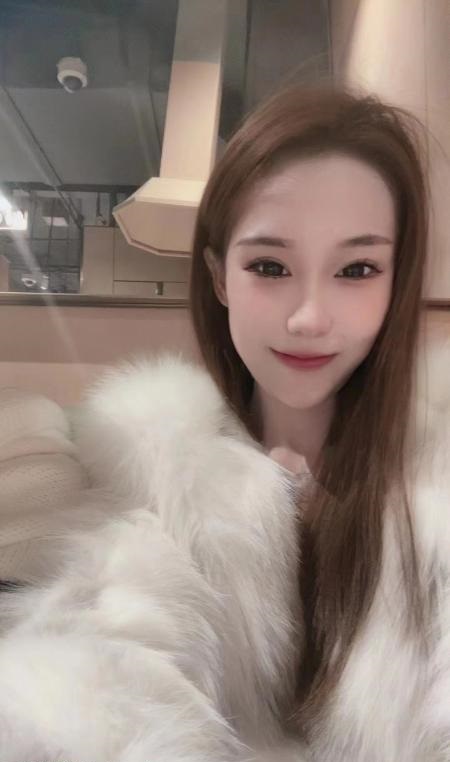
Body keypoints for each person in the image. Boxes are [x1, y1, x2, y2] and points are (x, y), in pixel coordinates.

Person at [0, 82, 449, 762]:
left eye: (357, 269)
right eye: (270, 266)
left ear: (397, 280)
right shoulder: (153, 473)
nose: (309, 317)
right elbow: (101, 661)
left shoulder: (436, 478)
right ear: (218, 277)